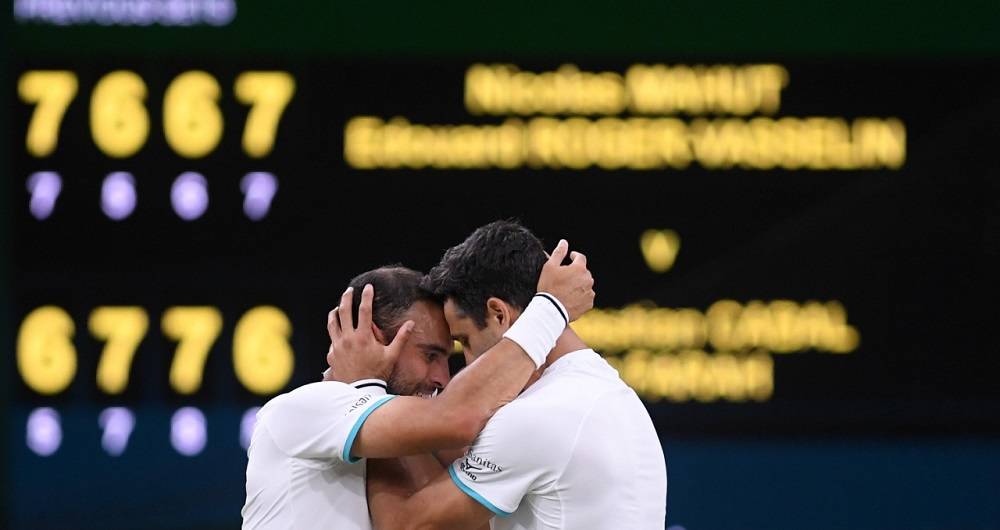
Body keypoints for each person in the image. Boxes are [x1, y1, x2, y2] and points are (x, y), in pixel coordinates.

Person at [241, 239, 595, 530]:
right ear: (373, 337)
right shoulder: (305, 408)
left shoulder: (418, 444)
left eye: (448, 357)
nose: (443, 377)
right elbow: (457, 418)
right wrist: (549, 309)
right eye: (430, 355)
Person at [366, 220, 667, 530]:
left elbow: (404, 525)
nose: (467, 364)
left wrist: (374, 392)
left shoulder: (536, 415)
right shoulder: (609, 392)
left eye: (465, 341)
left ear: (499, 315)